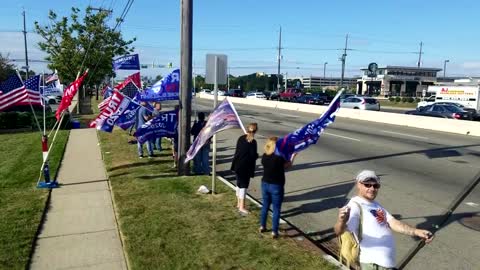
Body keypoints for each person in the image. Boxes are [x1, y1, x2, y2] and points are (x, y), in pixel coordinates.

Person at [334, 170, 434, 269]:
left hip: (385, 264)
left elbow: (393, 223)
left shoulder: (375, 205)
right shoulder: (354, 206)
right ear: (358, 184)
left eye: (375, 186)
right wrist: (341, 221)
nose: (372, 188)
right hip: (373, 264)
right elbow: (339, 231)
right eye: (367, 185)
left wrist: (416, 231)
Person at [259, 137, 296, 238]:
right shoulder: (279, 158)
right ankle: (274, 231)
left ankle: (262, 226)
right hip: (276, 185)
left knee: (265, 206)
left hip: (265, 183)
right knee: (276, 209)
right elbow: (288, 166)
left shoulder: (264, 156)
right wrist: (293, 157)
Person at [230, 123, 258, 214]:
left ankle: (239, 203)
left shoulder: (241, 138)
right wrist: (257, 155)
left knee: (238, 184)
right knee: (243, 186)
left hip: (237, 164)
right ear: (255, 131)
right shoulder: (253, 142)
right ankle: (242, 207)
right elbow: (253, 155)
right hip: (245, 167)